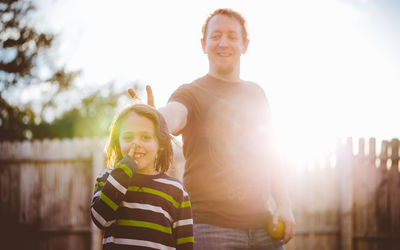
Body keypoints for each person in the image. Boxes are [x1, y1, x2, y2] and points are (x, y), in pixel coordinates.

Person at [129, 8, 295, 249]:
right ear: (203, 44)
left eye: (231, 36)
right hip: (209, 228)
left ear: (245, 45)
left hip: (263, 228)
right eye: (215, 36)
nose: (223, 43)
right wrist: (154, 120)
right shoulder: (191, 92)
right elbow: (174, 114)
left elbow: (271, 155)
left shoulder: (257, 94)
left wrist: (284, 204)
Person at [90, 104, 194, 250]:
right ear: (117, 141)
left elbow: (185, 243)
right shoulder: (108, 178)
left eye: (145, 137)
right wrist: (123, 172)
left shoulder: (176, 190)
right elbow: (100, 220)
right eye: (128, 137)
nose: (136, 143)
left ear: (160, 144)